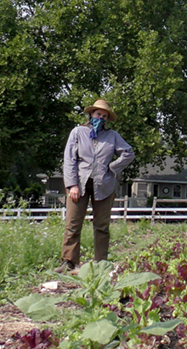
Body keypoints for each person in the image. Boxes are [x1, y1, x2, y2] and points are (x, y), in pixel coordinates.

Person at [54, 99, 135, 273]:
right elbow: (69, 160)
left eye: (105, 116)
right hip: (80, 185)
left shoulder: (112, 136)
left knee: (101, 225)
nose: (101, 118)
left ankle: (100, 263)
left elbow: (128, 153)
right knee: (73, 223)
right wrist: (72, 185)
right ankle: (69, 261)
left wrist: (112, 168)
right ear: (91, 114)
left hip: (104, 185)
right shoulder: (78, 132)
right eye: (99, 114)